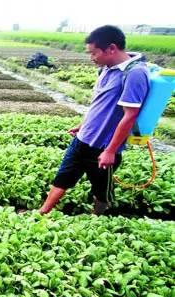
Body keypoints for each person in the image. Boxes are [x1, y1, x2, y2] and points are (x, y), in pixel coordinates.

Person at [39, 25, 149, 215]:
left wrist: (111, 151)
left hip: (102, 148)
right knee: (63, 177)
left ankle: (97, 218)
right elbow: (100, 104)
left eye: (94, 53)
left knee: (101, 190)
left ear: (111, 48)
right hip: (82, 139)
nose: (92, 58)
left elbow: (130, 116)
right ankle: (42, 212)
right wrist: (83, 125)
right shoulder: (106, 68)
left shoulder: (134, 74)